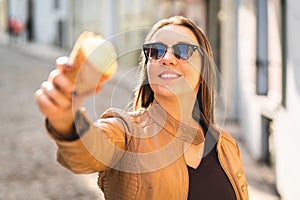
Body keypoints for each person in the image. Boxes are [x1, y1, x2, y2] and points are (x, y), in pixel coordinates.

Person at [35, 16, 248, 200]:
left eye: (183, 51)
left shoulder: (227, 145)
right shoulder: (127, 133)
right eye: (156, 51)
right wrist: (65, 118)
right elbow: (88, 150)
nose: (166, 58)